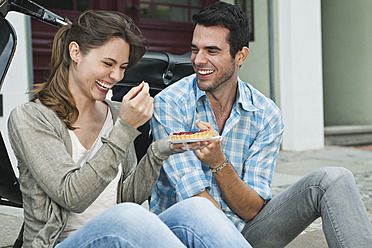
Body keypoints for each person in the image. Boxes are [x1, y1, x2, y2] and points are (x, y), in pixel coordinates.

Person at [7, 10, 252, 248]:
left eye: (123, 67)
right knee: (127, 216)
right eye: (108, 63)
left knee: (197, 208)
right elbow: (73, 196)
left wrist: (159, 151)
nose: (116, 75)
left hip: (118, 236)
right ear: (75, 53)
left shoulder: (115, 112)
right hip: (63, 242)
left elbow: (127, 197)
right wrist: (125, 128)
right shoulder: (31, 118)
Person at [149, 2, 372, 247]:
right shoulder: (169, 104)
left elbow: (252, 209)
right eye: (195, 49)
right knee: (198, 210)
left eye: (211, 51)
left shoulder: (266, 114)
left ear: (241, 55)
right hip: (182, 235)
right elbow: (196, 202)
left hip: (245, 233)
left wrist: (218, 163)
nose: (198, 60)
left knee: (334, 179)